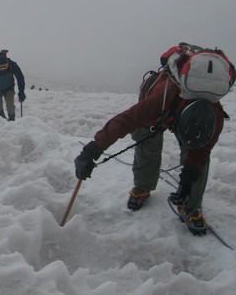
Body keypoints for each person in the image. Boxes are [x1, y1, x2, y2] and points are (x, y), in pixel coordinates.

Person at [74, 69, 227, 235]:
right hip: (159, 108)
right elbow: (125, 121)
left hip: (181, 116)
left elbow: (200, 154)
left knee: (199, 160)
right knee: (146, 140)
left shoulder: (214, 120)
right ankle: (142, 188)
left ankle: (190, 206)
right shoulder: (160, 101)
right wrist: (92, 150)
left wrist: (188, 181)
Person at [0, 54, 26, 121]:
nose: (3, 69)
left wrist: (21, 92)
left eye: (5, 66)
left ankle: (12, 121)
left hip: (9, 87)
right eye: (0, 67)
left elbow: (20, 78)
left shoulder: (12, 65)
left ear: (7, 64)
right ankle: (2, 122)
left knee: (10, 106)